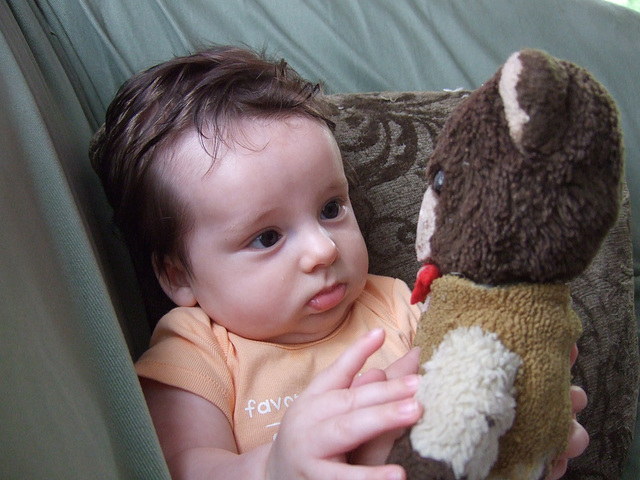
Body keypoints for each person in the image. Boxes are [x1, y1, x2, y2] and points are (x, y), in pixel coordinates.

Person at [90, 46, 589, 480]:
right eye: (266, 237)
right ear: (178, 275)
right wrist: (273, 468)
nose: (324, 250)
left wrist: (521, 426)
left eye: (331, 209)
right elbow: (178, 466)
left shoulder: (397, 303)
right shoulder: (197, 347)